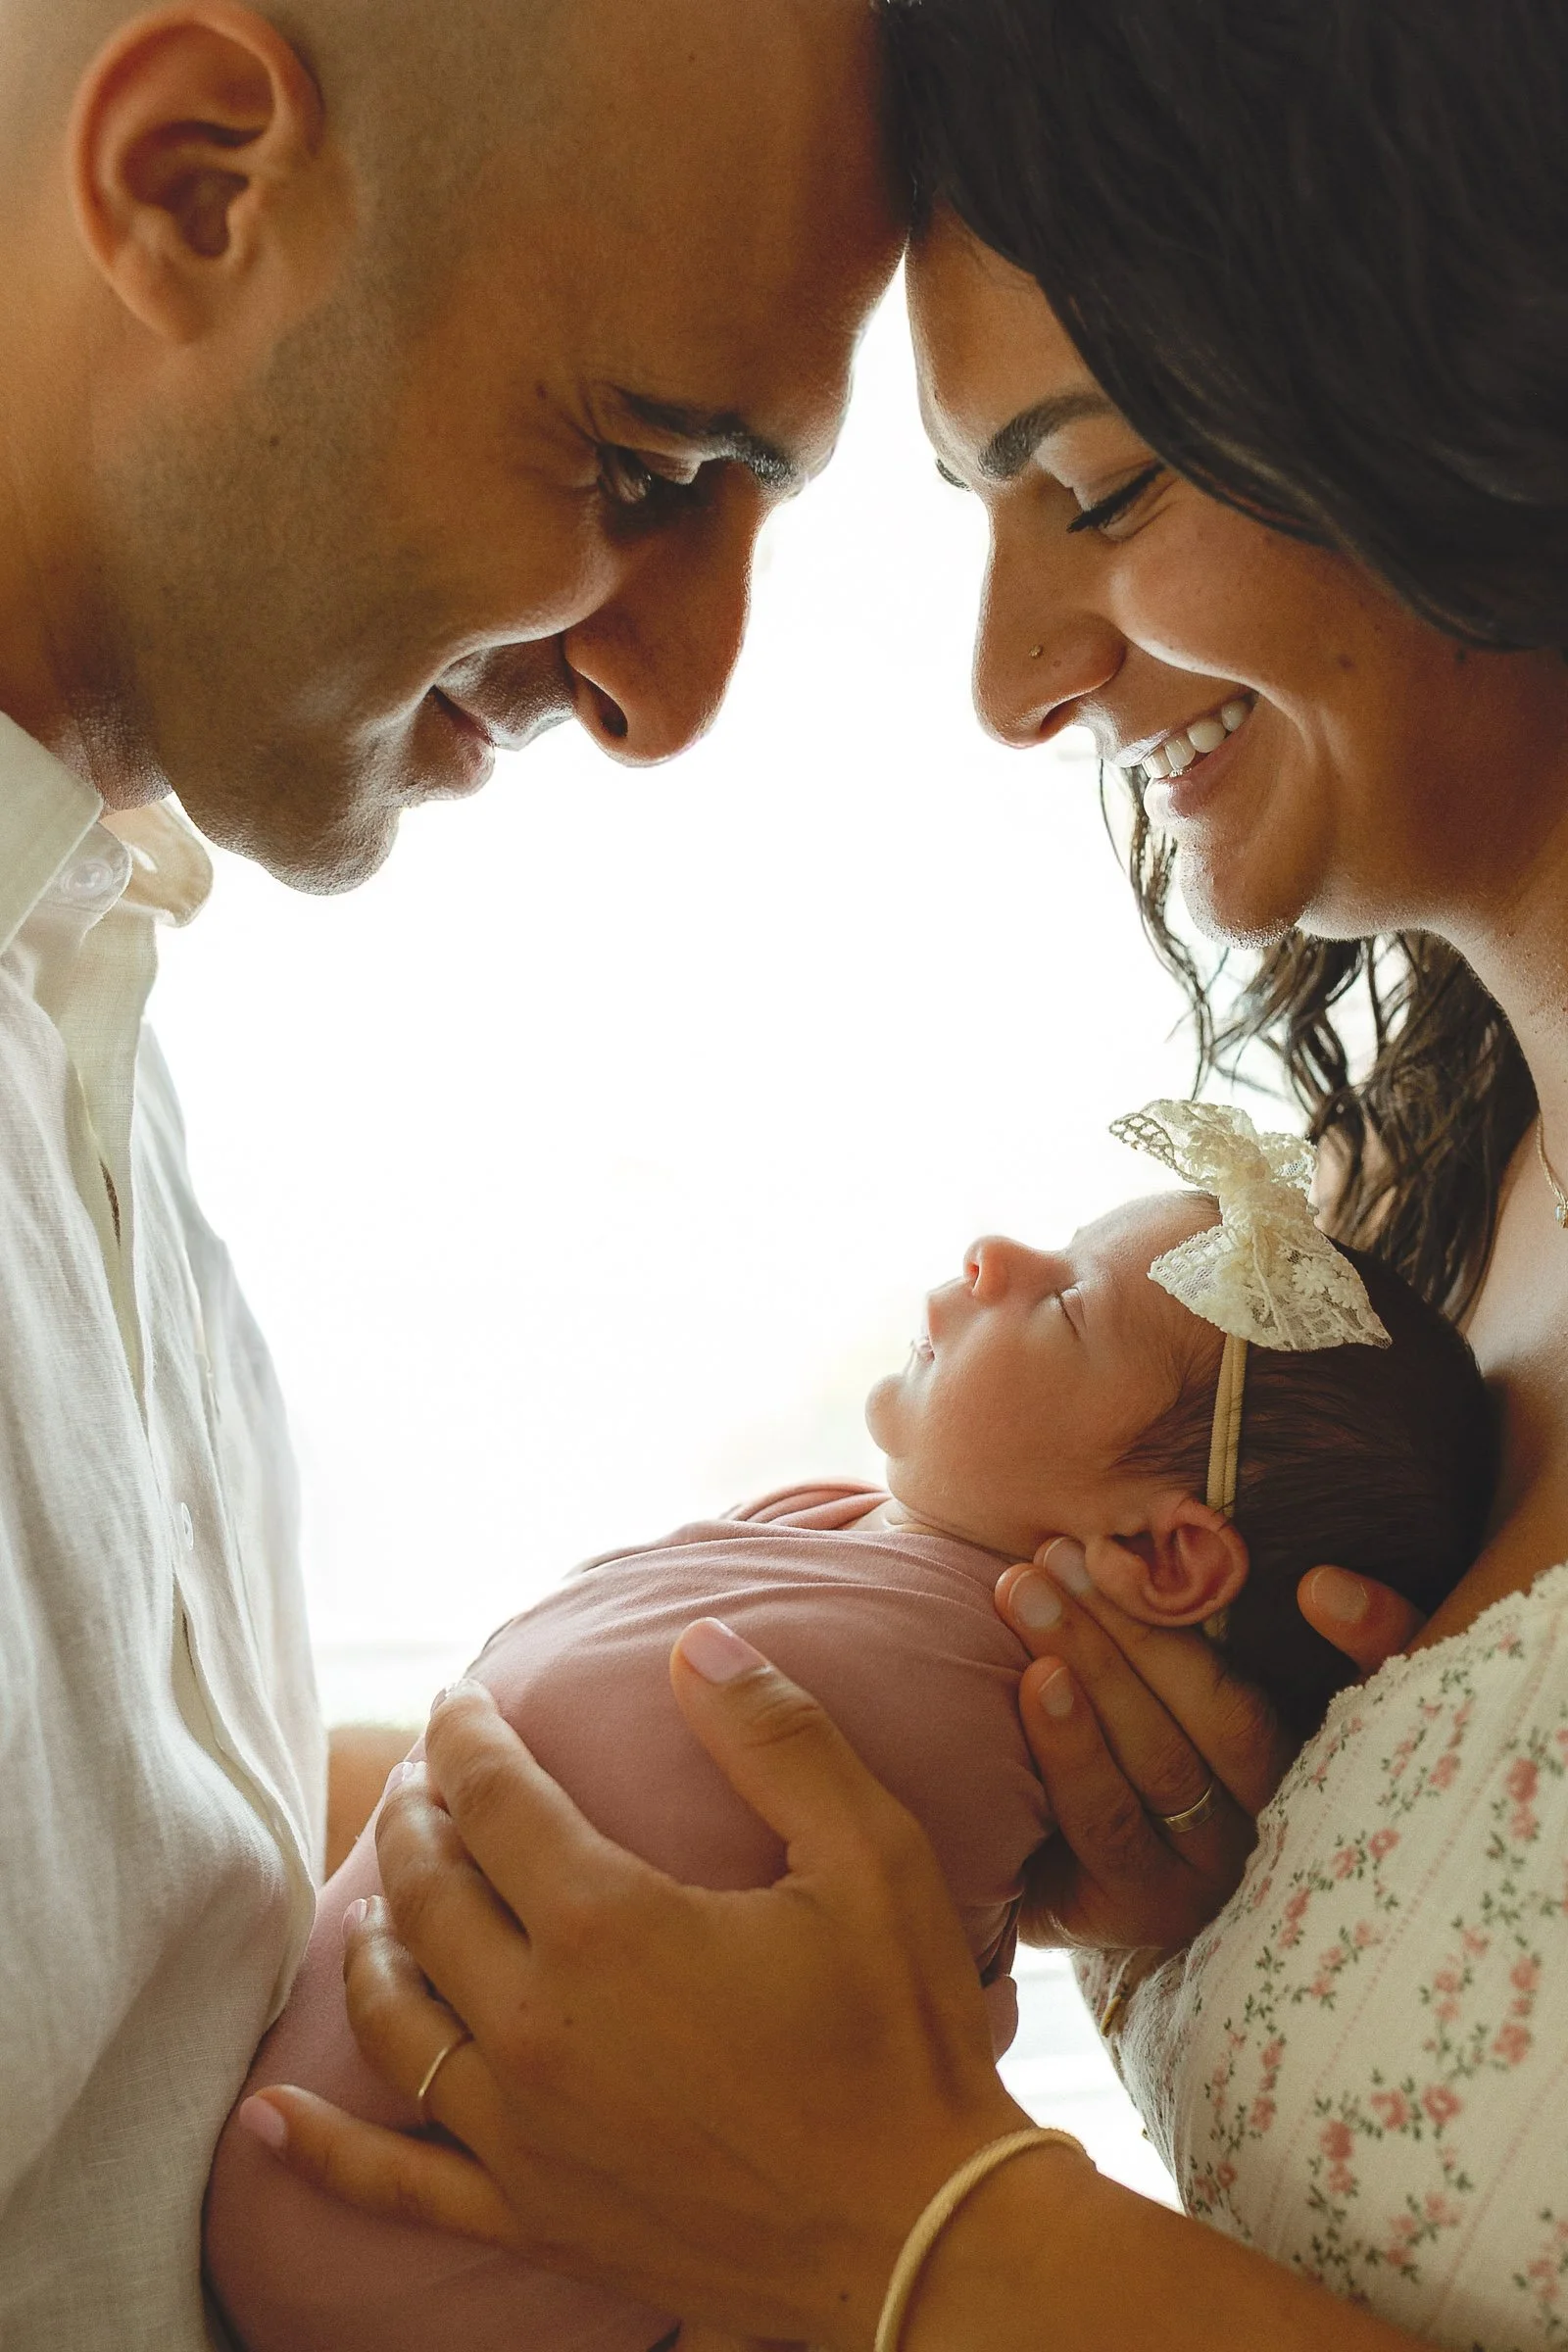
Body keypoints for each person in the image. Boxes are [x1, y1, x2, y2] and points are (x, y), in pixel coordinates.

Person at [243, 4, 1568, 2349]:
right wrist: (1033, 1863)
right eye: (978, 513)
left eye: (1103, 486)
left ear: (1467, 355)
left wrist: (910, 2225)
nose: (1010, 679)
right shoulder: (1366, 1221)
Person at [0, 0, 901, 2341]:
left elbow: (112, 1937)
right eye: (640, 462)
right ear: (192, 186)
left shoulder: (81, 992)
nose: (674, 687)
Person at [211, 1102, 1492, 2352]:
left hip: (409, 2266)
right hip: (325, 2149)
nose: (997, 1254)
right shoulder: (851, 1523)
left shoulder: (956, 1716)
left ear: (1163, 1552)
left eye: (1065, 1303)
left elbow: (864, 2023)